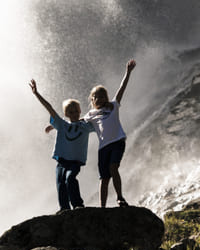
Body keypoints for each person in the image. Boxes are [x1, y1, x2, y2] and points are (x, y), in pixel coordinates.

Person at [29, 78, 92, 212]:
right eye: (70, 112)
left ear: (80, 111)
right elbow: (50, 108)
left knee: (70, 178)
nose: (74, 114)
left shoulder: (85, 126)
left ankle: (77, 205)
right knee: (60, 183)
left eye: (76, 111)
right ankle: (64, 208)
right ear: (65, 114)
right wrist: (36, 93)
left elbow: (97, 118)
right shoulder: (62, 125)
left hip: (75, 161)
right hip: (62, 161)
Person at [86, 59, 136, 207]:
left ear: (106, 98)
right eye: (97, 97)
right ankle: (102, 206)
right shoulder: (91, 114)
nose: (100, 99)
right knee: (104, 178)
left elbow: (122, 89)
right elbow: (76, 122)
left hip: (117, 142)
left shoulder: (113, 106)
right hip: (103, 147)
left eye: (102, 96)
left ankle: (120, 197)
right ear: (92, 100)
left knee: (113, 167)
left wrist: (127, 73)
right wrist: (56, 126)